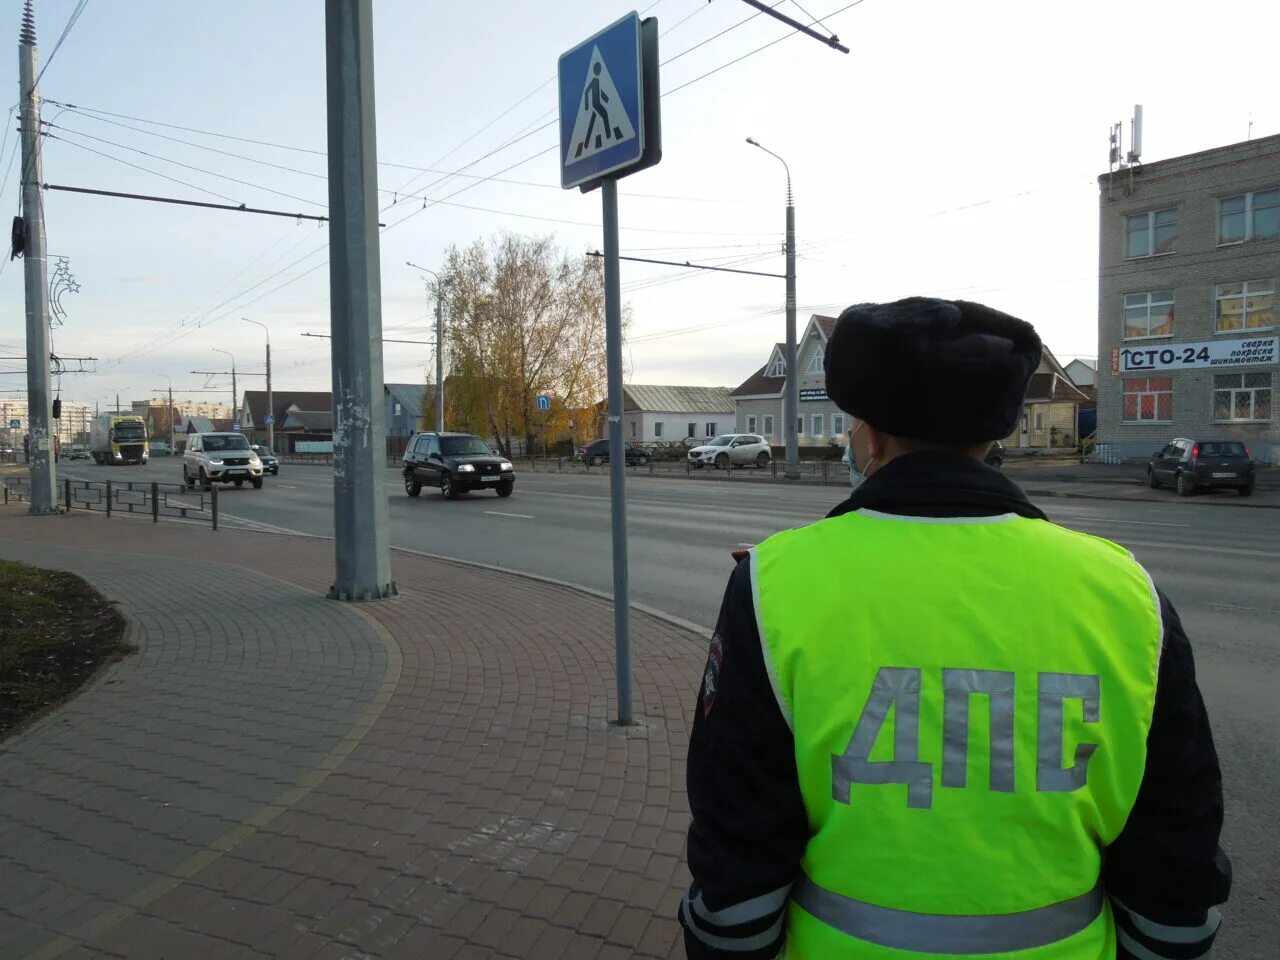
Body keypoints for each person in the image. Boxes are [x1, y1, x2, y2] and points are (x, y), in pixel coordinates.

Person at [680, 298, 1230, 959]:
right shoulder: (1127, 596)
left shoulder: (772, 587)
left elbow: (737, 846)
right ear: (990, 439)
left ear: (872, 438)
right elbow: (1176, 849)